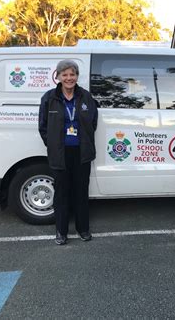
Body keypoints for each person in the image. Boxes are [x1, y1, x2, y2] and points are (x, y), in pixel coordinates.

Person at [39, 60, 98, 245]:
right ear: (58, 77)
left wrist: (85, 140)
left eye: (72, 74)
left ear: (77, 76)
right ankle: (61, 231)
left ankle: (83, 229)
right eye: (64, 74)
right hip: (60, 154)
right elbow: (43, 127)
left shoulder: (86, 97)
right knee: (61, 193)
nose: (69, 78)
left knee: (81, 192)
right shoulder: (49, 98)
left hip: (82, 153)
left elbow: (93, 123)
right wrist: (53, 145)